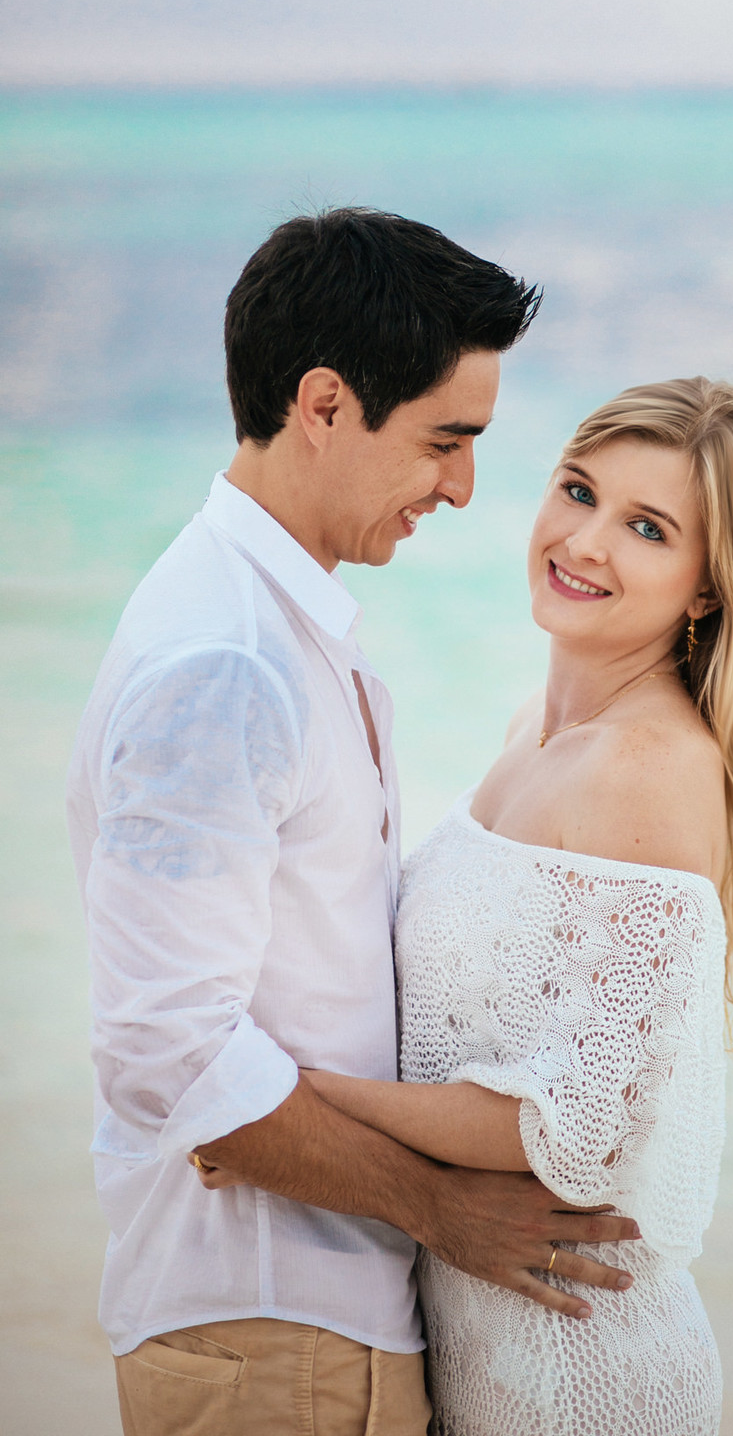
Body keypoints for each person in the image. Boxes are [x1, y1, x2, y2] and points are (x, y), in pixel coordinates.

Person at [66, 208, 641, 1436]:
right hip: (272, 1331)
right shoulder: (227, 665)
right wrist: (440, 1208)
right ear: (323, 405)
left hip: (301, 1329)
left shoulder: (272, 624)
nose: (464, 488)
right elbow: (167, 1049)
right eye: (445, 441)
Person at [294, 376, 733, 1435]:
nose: (586, 543)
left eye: (648, 529)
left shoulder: (647, 769)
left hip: (583, 1374)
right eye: (579, 491)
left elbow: (573, 1128)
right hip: (479, 1349)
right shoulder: (535, 725)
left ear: (708, 589)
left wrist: (294, 1098)